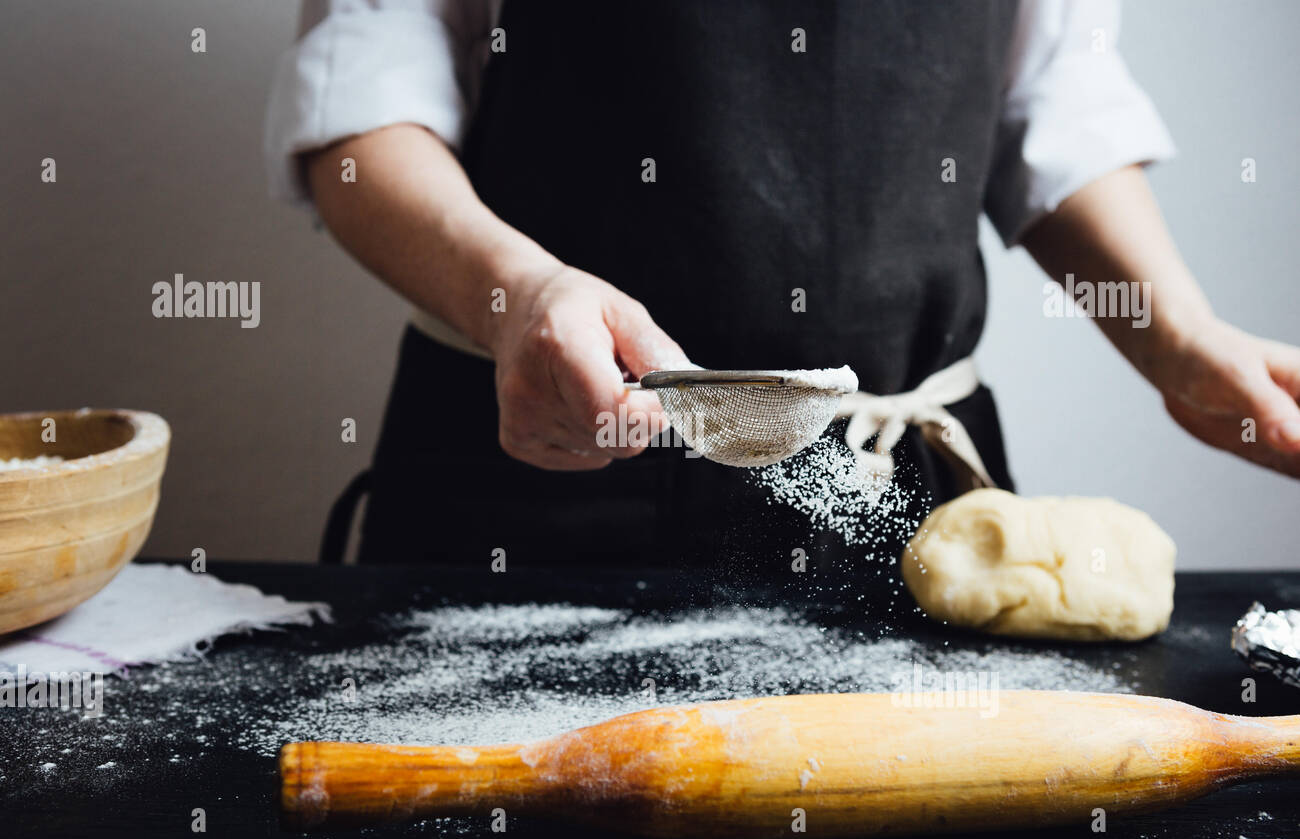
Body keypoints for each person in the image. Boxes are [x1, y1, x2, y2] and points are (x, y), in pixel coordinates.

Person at [266, 0, 1300, 572]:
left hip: (905, 504)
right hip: (539, 492)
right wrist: (517, 290)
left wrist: (1180, 336)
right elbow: (363, 107)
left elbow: (1051, 102)